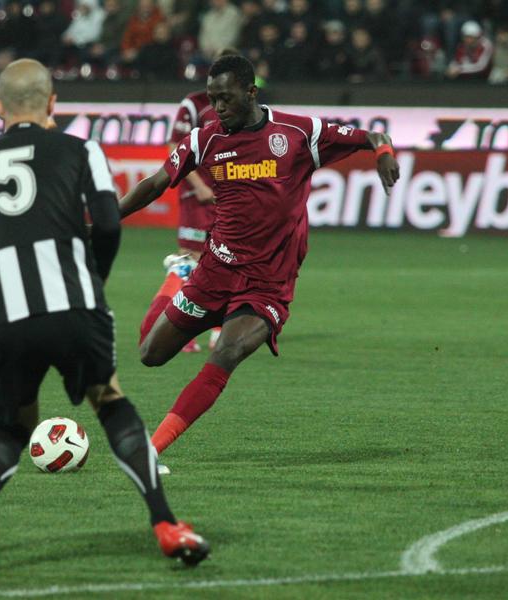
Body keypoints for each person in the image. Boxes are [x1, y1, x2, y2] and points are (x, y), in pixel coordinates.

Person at [0, 58, 209, 572]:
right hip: (73, 306)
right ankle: (166, 524)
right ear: (53, 103)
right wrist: (93, 281)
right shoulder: (82, 150)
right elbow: (108, 223)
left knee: (14, 424)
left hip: (2, 316)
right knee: (109, 401)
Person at [119, 55, 399, 463]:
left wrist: (384, 151)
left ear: (251, 92)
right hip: (214, 272)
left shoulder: (298, 133)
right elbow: (156, 183)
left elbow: (371, 135)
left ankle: (150, 452)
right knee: (150, 354)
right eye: (212, 99)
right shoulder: (204, 139)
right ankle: (180, 273)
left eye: (226, 98)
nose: (217, 108)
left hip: (267, 284)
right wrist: (106, 219)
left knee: (226, 353)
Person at [140, 48, 239, 358]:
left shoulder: (244, 107)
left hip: (227, 196)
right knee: (191, 260)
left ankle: (217, 329)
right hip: (197, 196)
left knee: (226, 260)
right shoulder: (194, 104)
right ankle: (175, 328)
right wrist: (198, 185)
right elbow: (176, 146)